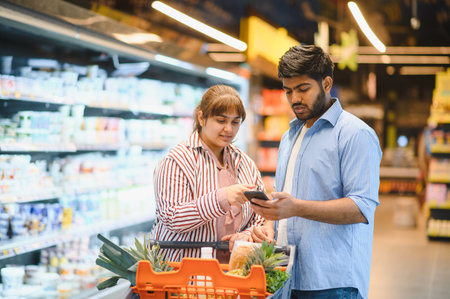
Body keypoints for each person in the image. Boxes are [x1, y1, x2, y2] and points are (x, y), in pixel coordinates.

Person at [250, 45, 382, 299]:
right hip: (288, 276)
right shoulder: (290, 136)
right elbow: (283, 199)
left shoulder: (355, 135)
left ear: (327, 83)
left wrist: (296, 208)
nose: (294, 99)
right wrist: (269, 224)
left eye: (303, 89)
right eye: (288, 91)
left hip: (332, 281)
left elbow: (361, 207)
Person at [149, 84, 273, 262]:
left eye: (235, 122)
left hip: (231, 273)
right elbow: (172, 218)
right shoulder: (177, 160)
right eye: (221, 121)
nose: (229, 129)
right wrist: (222, 197)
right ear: (201, 117)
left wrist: (247, 234)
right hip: (182, 272)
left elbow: (259, 215)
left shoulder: (245, 163)